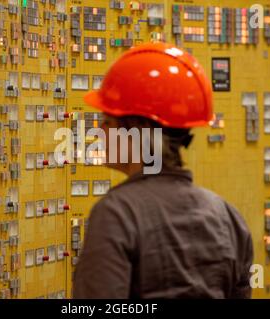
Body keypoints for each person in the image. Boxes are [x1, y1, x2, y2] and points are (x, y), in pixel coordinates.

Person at [72, 42, 253, 299]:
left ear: (137, 129)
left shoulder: (116, 215)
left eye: (107, 122)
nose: (99, 131)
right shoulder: (228, 217)